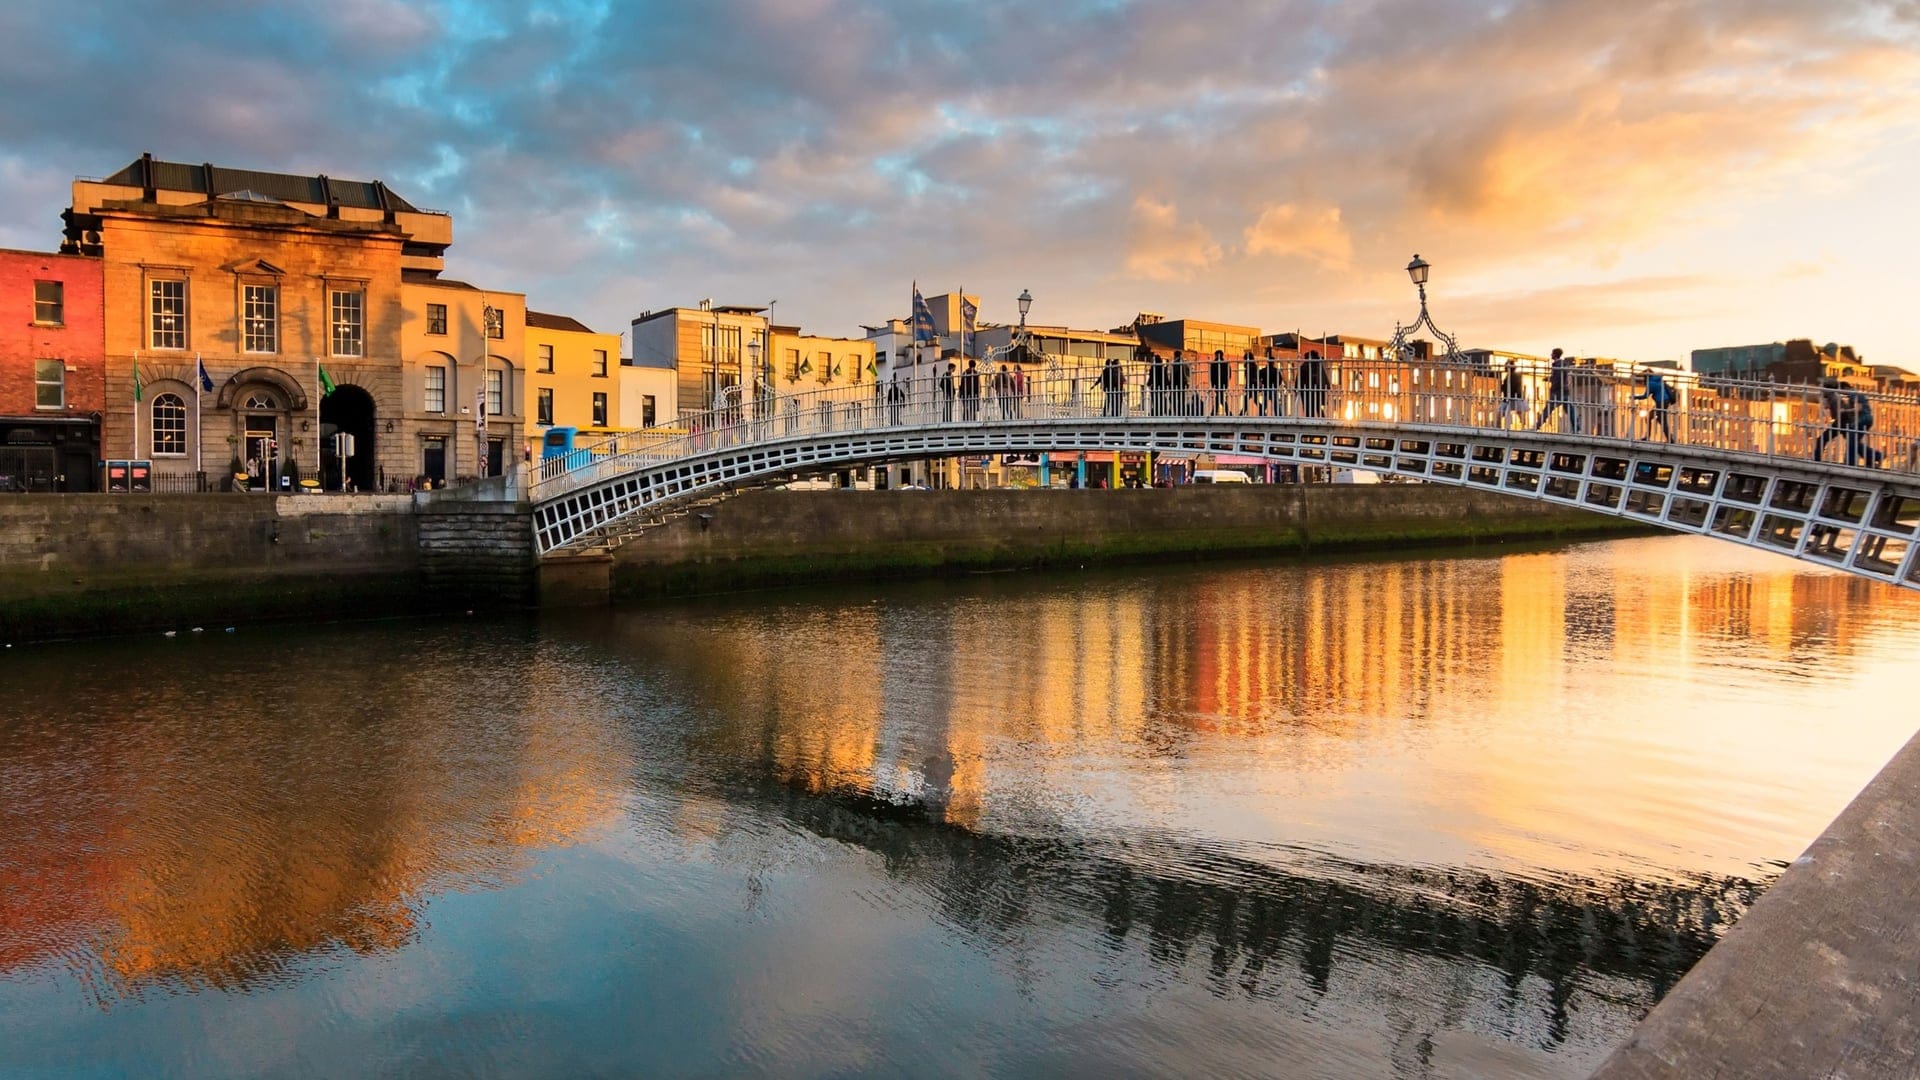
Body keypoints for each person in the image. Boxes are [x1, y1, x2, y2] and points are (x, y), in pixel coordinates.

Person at [1534, 348, 1578, 433]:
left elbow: (1558, 378)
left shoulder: (1557, 365)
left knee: (1548, 409)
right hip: (1564, 391)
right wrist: (1549, 378)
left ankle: (1537, 426)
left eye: (1552, 353)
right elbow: (1561, 377)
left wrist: (1553, 387)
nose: (1551, 355)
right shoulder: (1563, 364)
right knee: (1570, 410)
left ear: (1555, 354)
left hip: (1558, 391)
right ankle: (1577, 428)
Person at [1632, 368, 1675, 441]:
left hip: (1660, 402)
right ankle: (1649, 436)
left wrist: (1634, 397)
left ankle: (1670, 439)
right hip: (1665, 401)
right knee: (1650, 417)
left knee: (1661, 421)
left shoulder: (1651, 383)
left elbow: (1645, 396)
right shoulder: (1658, 380)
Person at [1813, 378, 1846, 461]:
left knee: (1822, 439)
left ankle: (1817, 459)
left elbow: (1840, 412)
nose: (1821, 390)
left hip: (1842, 422)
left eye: (1823, 388)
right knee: (1854, 443)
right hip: (1841, 422)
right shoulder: (1832, 397)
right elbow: (1826, 407)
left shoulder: (1834, 399)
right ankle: (1876, 456)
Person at [1496, 359, 1525, 428]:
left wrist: (1503, 387)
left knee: (1502, 412)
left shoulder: (1514, 376)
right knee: (1518, 412)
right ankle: (1523, 426)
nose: (1505, 367)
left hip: (1512, 396)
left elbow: (1513, 386)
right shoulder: (1510, 375)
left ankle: (1499, 426)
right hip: (1511, 397)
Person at [1298, 351, 1327, 418]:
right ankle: (1322, 420)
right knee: (1319, 408)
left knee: (1308, 409)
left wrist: (1298, 388)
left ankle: (1310, 419)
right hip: (1317, 390)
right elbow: (1322, 380)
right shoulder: (1318, 366)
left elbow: (1299, 379)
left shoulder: (1304, 366)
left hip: (1306, 390)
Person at [1209, 348, 1232, 416]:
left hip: (1217, 382)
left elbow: (1212, 375)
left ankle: (1215, 412)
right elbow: (1229, 374)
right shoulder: (1226, 363)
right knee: (1220, 396)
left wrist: (1212, 384)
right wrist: (1227, 381)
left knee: (1219, 397)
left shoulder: (1214, 363)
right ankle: (1217, 412)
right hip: (1224, 383)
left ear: (1216, 355)